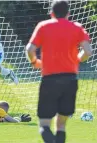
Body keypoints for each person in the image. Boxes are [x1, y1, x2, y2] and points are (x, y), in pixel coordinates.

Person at [25, 0, 92, 143]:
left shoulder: (43, 26)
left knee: (44, 123)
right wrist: (77, 59)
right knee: (61, 124)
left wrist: (34, 62)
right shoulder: (77, 27)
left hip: (49, 79)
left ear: (51, 13)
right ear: (68, 13)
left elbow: (30, 49)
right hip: (70, 79)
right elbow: (88, 51)